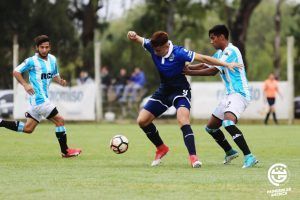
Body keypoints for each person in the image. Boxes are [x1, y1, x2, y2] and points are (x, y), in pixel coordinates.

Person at [127, 30, 241, 168]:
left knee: (182, 119)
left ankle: (193, 157)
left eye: (158, 50)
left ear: (166, 46)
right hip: (164, 91)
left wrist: (226, 64)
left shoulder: (179, 53)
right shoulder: (152, 46)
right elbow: (139, 38)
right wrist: (132, 35)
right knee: (142, 121)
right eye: (154, 50)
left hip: (180, 91)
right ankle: (161, 148)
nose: (155, 52)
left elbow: (203, 58)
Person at [183, 25, 258, 168]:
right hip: (229, 95)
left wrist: (187, 73)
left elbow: (211, 71)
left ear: (222, 37)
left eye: (213, 38)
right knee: (211, 128)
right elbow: (203, 65)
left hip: (239, 94)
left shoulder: (231, 51)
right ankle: (229, 151)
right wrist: (185, 68)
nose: (211, 42)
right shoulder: (219, 54)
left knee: (228, 123)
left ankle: (249, 156)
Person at [0, 35, 81, 158]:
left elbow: (54, 74)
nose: (44, 49)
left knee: (28, 128)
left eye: (46, 47)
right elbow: (16, 71)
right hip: (39, 99)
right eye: (41, 47)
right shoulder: (31, 61)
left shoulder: (53, 59)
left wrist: (60, 81)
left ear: (50, 47)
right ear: (37, 48)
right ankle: (65, 151)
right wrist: (25, 84)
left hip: (36, 101)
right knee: (60, 120)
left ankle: (1, 122)